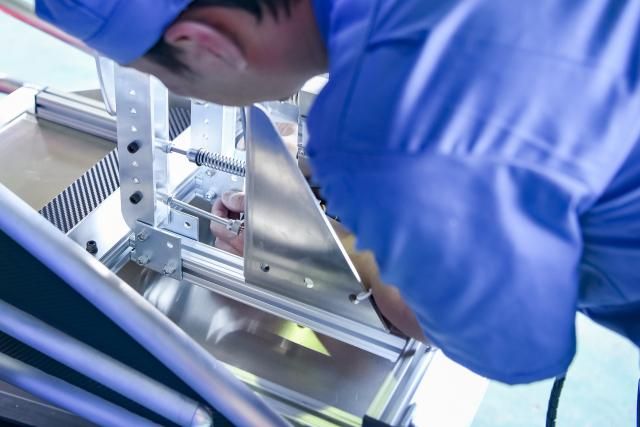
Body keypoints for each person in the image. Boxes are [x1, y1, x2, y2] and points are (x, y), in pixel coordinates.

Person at [35, 0, 640, 385]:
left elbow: (518, 349)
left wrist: (343, 248)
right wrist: (332, 188)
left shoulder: (380, 131)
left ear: (205, 44)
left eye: (162, 77)